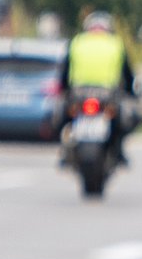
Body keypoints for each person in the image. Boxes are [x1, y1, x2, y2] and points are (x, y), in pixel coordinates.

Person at [57, 11, 137, 166]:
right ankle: (119, 152)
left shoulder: (77, 42)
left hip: (78, 93)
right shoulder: (115, 44)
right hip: (107, 94)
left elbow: (64, 73)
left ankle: (64, 151)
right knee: (122, 119)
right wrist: (131, 91)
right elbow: (127, 74)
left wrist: (64, 90)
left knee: (64, 118)